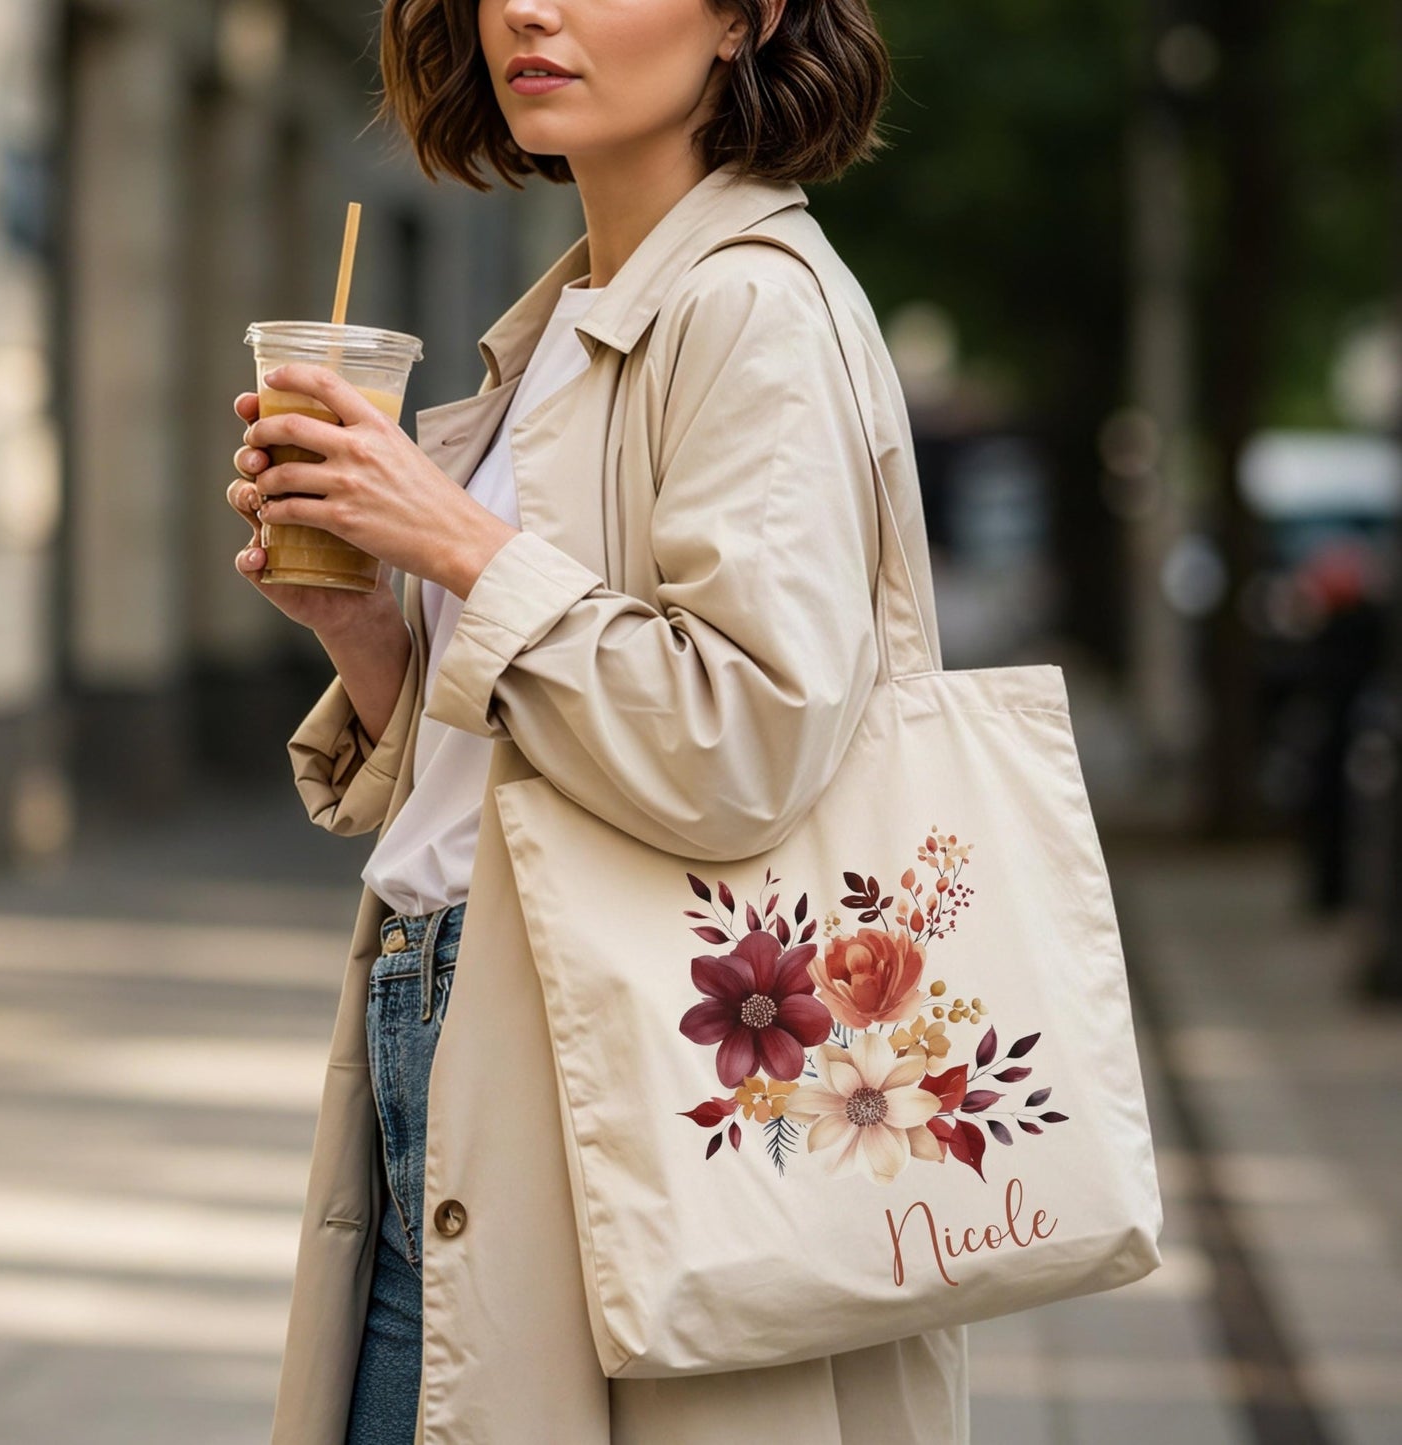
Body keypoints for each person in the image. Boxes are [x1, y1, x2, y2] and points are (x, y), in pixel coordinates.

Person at [226, 1, 966, 1441]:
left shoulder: (745, 307)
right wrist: (370, 626)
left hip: (611, 1089)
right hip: (470, 1040)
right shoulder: (574, 319)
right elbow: (528, 740)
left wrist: (453, 541)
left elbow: (741, 739)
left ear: (748, 16)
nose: (530, 10)